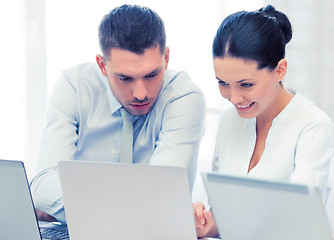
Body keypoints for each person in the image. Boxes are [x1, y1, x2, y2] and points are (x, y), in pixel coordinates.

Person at [31, 4, 206, 223]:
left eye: (152, 75)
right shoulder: (74, 88)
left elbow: (160, 193)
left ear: (166, 58)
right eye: (125, 78)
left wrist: (72, 205)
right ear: (102, 66)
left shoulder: (184, 97)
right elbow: (43, 185)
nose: (141, 94)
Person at [193, 5, 334, 238]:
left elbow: (301, 226)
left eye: (246, 84)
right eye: (223, 83)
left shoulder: (313, 126)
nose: (234, 97)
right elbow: (227, 218)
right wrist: (208, 224)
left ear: (280, 70)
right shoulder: (229, 121)